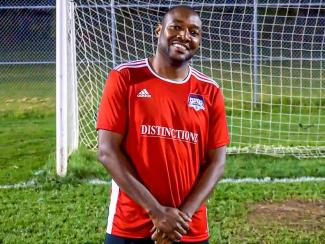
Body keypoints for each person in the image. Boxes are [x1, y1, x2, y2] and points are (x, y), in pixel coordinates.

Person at [96, 5, 229, 244]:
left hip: (186, 228)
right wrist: (156, 212)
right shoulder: (125, 77)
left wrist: (182, 217)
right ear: (159, 30)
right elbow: (107, 151)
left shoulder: (210, 91)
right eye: (176, 27)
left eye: (194, 32)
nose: (184, 36)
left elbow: (217, 162)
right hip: (130, 226)